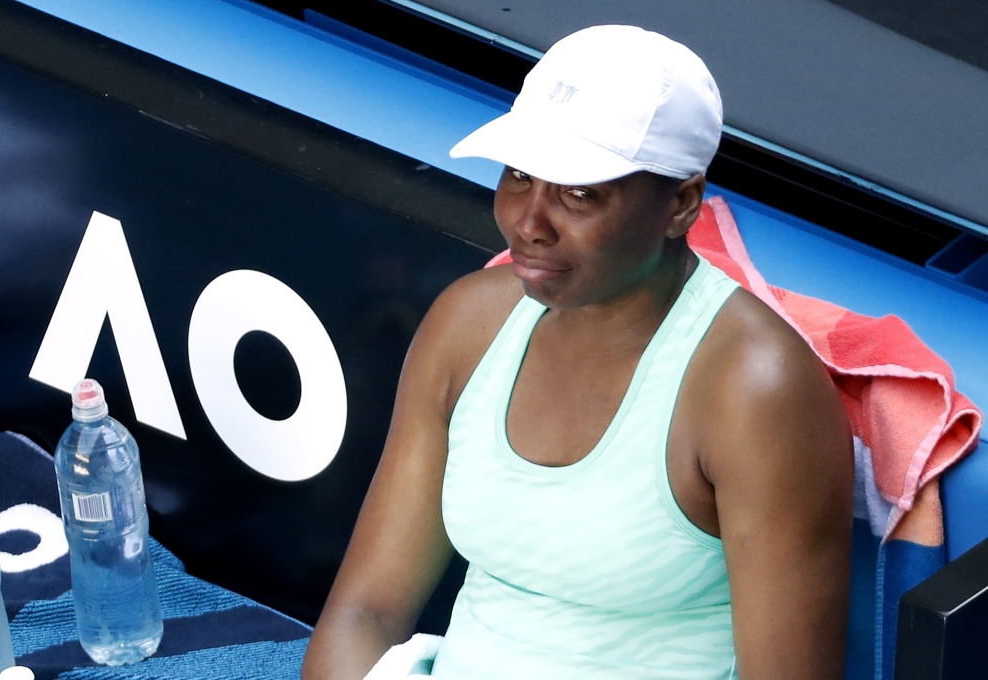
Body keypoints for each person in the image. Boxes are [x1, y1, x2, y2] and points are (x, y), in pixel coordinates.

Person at [302, 24, 853, 680]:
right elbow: (366, 613)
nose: (528, 224)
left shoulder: (755, 386)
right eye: (519, 176)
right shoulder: (469, 324)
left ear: (681, 205)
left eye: (580, 193)